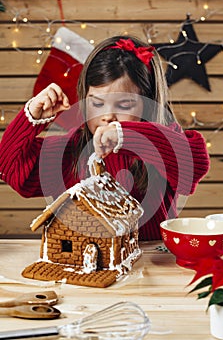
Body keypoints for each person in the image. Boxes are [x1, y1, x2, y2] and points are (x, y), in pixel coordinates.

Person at [0, 35, 210, 240]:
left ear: (147, 103)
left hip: (153, 259)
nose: (107, 116)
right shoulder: (73, 149)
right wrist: (32, 117)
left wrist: (126, 135)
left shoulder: (162, 141)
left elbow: (193, 166)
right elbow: (10, 168)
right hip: (89, 263)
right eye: (97, 104)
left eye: (124, 105)